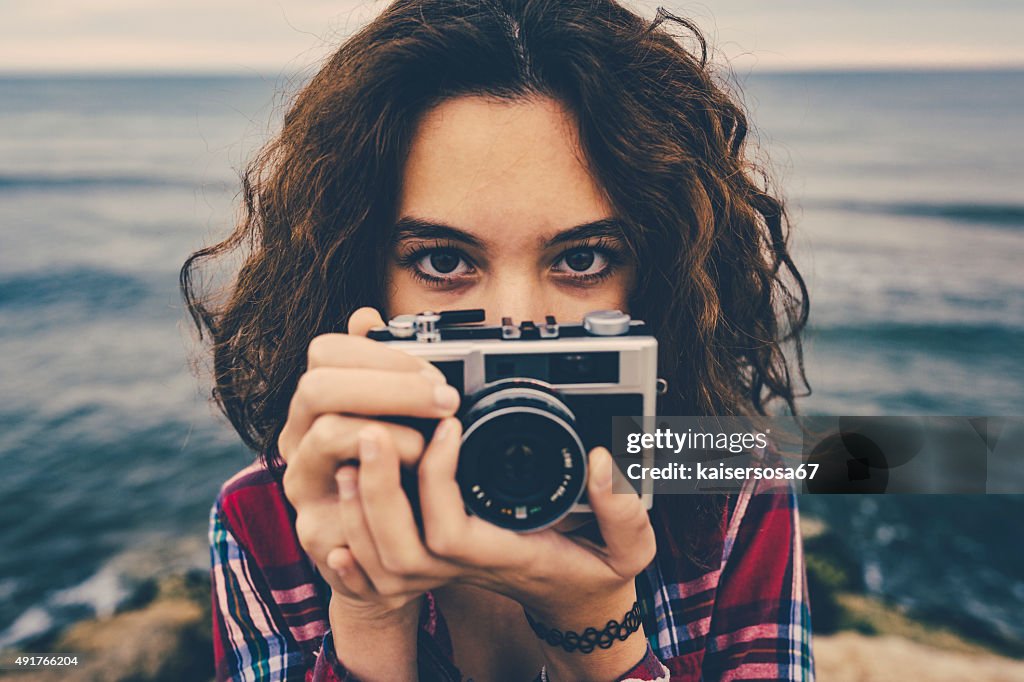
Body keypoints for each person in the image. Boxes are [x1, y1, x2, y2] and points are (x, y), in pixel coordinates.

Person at [181, 0, 813, 680]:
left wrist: (596, 624)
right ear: (363, 282)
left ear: (657, 279)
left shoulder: (730, 485)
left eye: (583, 258)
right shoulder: (271, 517)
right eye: (445, 262)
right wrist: (367, 609)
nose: (517, 321)